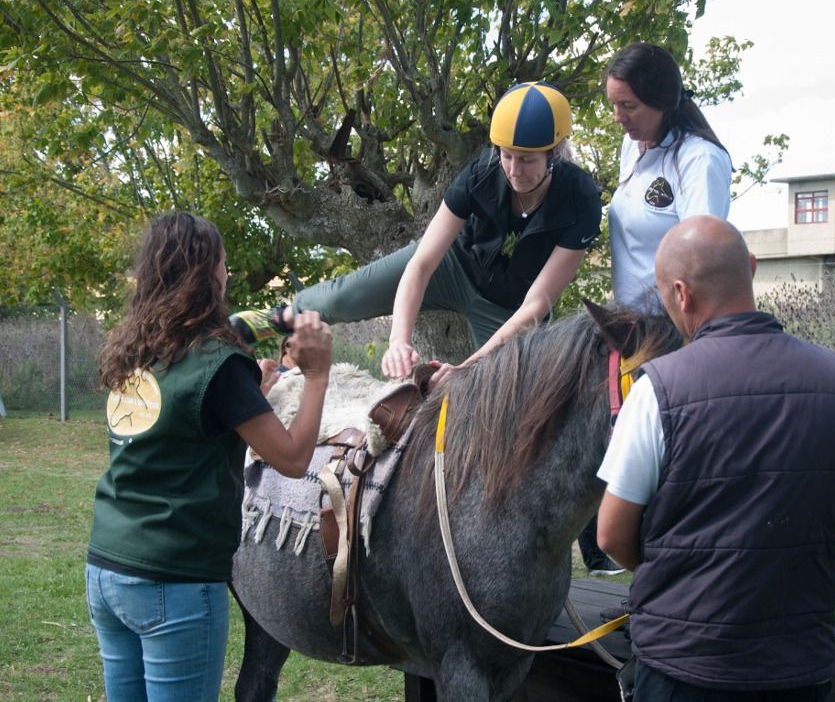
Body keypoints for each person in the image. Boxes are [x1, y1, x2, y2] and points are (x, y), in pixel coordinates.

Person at [597, 216, 835, 701]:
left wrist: (680, 577)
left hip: (683, 667)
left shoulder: (657, 391)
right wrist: (778, 571)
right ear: (749, 268)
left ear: (682, 294)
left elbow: (610, 533)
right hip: (799, 668)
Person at [85, 211, 333, 701]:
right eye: (222, 264)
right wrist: (318, 374)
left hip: (106, 568)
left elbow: (175, 428)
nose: (226, 275)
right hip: (173, 581)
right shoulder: (217, 362)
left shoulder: (134, 348)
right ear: (208, 273)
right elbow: (293, 459)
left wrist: (248, 395)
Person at [230, 81, 602, 387]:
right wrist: (398, 341)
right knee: (345, 296)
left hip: (511, 306)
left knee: (507, 393)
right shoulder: (481, 173)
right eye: (507, 155)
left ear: (554, 153)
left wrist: (465, 370)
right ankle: (274, 319)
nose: (514, 169)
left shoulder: (581, 200)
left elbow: (537, 304)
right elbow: (423, 262)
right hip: (455, 266)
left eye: (527, 159)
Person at [605, 42, 733, 308]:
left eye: (628, 106)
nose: (618, 117)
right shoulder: (632, 144)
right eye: (613, 104)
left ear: (662, 102)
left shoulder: (699, 159)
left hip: (672, 327)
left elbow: (700, 260)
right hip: (628, 323)